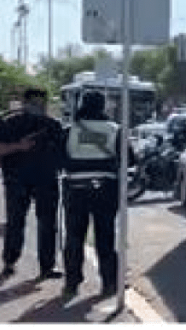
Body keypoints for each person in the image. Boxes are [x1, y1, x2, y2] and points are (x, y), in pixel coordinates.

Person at [60, 90, 134, 298]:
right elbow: (130, 159)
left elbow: (60, 159)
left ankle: (72, 284)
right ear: (102, 106)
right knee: (105, 237)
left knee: (74, 238)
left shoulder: (70, 130)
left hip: (75, 189)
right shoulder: (115, 130)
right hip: (106, 189)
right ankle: (110, 282)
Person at [0, 87, 64, 280]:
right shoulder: (7, 122)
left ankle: (47, 266)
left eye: (41, 103)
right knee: (15, 222)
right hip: (17, 180)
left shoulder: (53, 125)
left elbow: (62, 152)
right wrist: (18, 146)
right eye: (34, 103)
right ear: (25, 103)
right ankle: (10, 261)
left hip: (45, 180)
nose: (38, 106)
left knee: (47, 224)